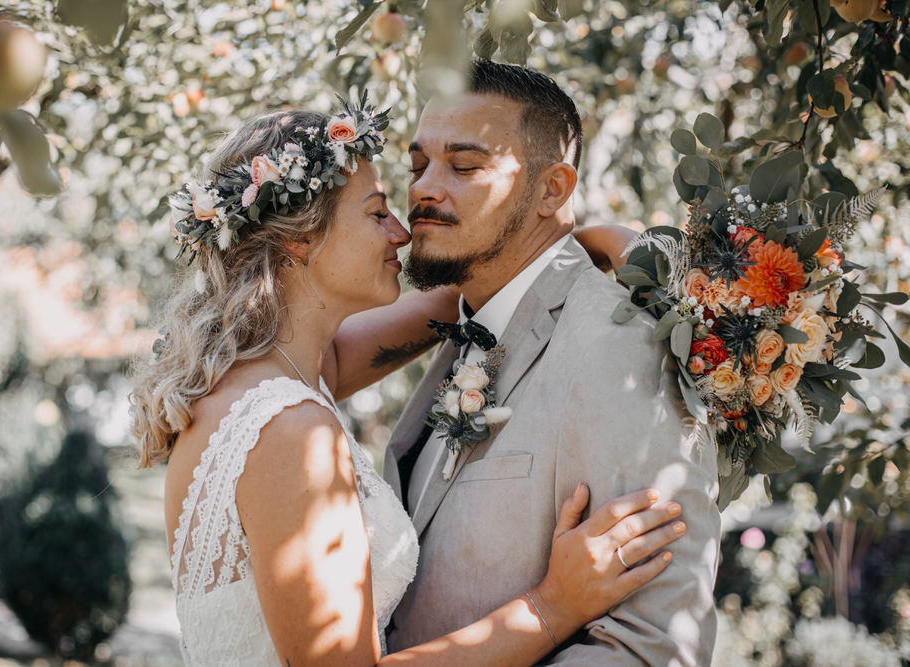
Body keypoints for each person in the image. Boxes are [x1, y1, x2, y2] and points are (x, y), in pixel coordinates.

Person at [129, 101, 687, 666]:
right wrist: (551, 607)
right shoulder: (289, 432)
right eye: (376, 214)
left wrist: (585, 244)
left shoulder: (262, 381)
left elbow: (473, 286)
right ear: (298, 239)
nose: (401, 231)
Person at [381, 60, 722, 665]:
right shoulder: (465, 326)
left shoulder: (621, 350)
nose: (422, 189)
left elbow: (650, 646)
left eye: (463, 166)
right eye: (417, 166)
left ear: (552, 190)